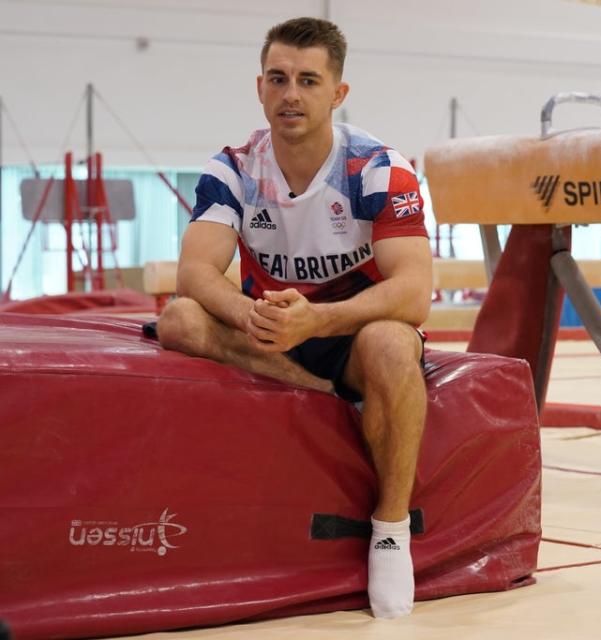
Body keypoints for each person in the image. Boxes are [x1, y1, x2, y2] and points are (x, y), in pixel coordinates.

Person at [156, 16, 432, 619]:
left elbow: (413, 294)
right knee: (179, 318)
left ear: (338, 93)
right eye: (278, 79)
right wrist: (252, 314)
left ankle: (390, 530)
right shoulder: (233, 167)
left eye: (308, 80)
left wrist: (318, 320)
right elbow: (196, 274)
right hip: (272, 333)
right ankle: (315, 391)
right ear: (259, 88)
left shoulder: (378, 168)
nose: (290, 94)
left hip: (350, 330)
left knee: (391, 342)